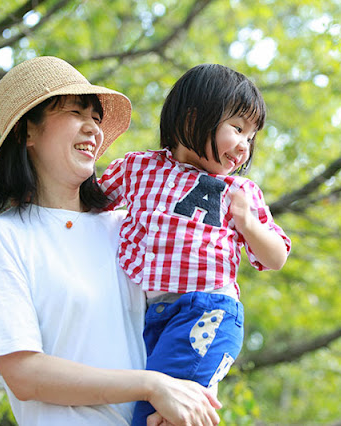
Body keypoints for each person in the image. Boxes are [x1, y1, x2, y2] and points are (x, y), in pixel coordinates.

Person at [0, 56, 221, 426]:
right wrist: (150, 386)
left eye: (97, 119)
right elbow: (24, 374)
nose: (94, 130)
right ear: (27, 132)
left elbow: (198, 308)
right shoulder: (1, 238)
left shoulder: (131, 228)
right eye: (76, 112)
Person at [99, 63, 292, 425]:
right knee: (162, 411)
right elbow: (90, 202)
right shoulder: (138, 168)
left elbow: (276, 255)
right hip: (154, 317)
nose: (244, 146)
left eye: (251, 137)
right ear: (192, 118)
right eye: (237, 128)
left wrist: (247, 224)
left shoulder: (239, 191)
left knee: (152, 414)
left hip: (208, 311)